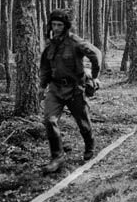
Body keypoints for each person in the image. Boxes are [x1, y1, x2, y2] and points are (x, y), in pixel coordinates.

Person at [39, 9, 101, 174]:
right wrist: (42, 86)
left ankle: (89, 145)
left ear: (65, 26)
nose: (56, 28)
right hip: (55, 89)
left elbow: (95, 54)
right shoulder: (50, 44)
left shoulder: (75, 42)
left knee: (83, 122)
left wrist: (94, 76)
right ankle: (57, 157)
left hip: (74, 89)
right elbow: (45, 67)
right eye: (54, 24)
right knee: (49, 120)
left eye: (60, 25)